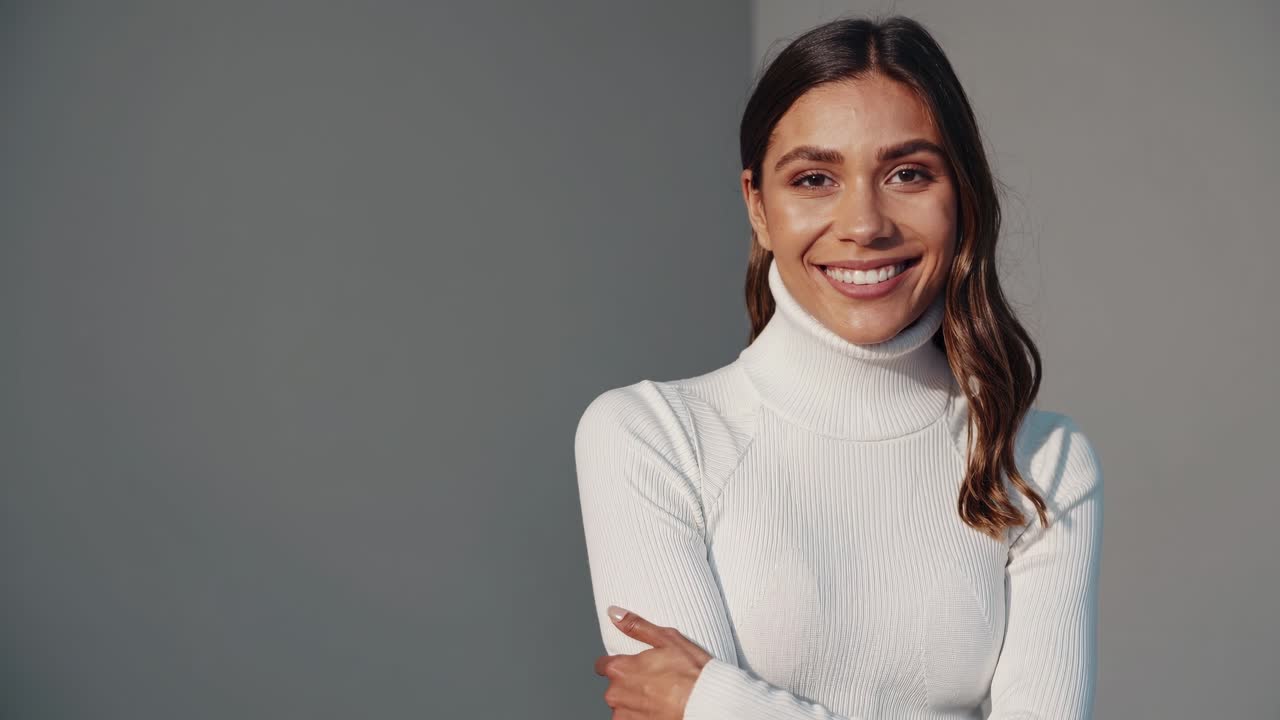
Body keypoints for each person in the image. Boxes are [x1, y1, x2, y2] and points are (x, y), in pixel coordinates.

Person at [573, 15, 1104, 720]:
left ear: (962, 199)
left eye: (908, 173)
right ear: (758, 207)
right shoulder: (654, 440)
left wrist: (719, 702)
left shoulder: (1044, 464)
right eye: (815, 178)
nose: (864, 223)